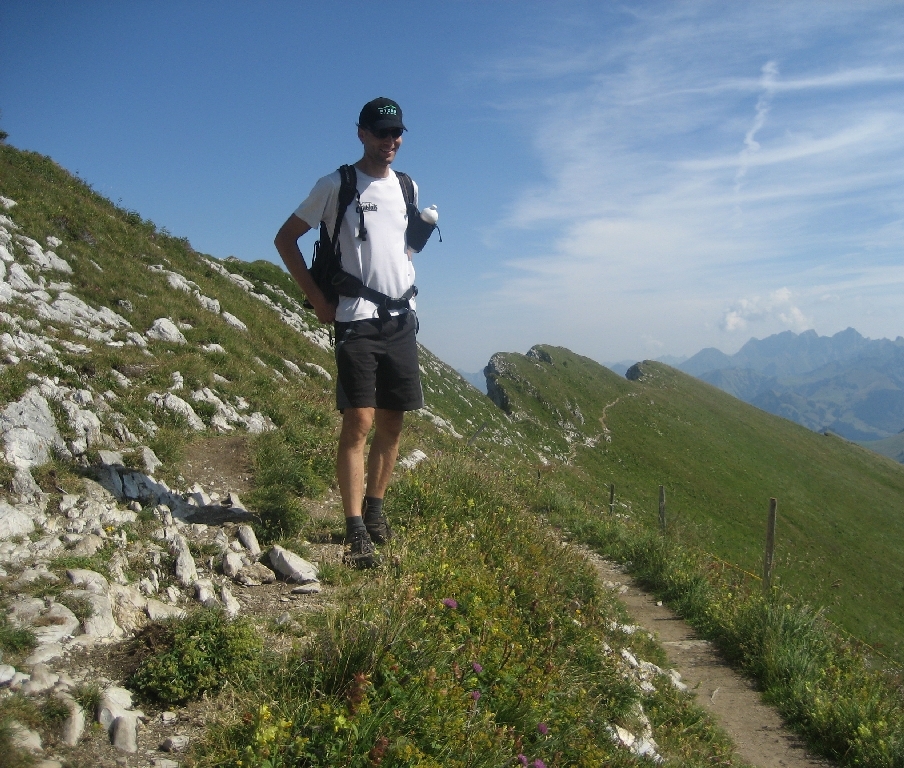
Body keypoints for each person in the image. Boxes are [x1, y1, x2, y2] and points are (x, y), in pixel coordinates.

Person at [274, 97, 424, 568]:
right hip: (356, 317)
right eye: (380, 132)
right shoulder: (334, 184)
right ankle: (355, 528)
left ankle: (376, 513)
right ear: (360, 133)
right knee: (359, 421)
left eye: (396, 133)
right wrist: (319, 301)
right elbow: (285, 238)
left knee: (393, 421)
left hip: (401, 318)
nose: (390, 141)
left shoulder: (407, 186)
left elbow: (402, 249)